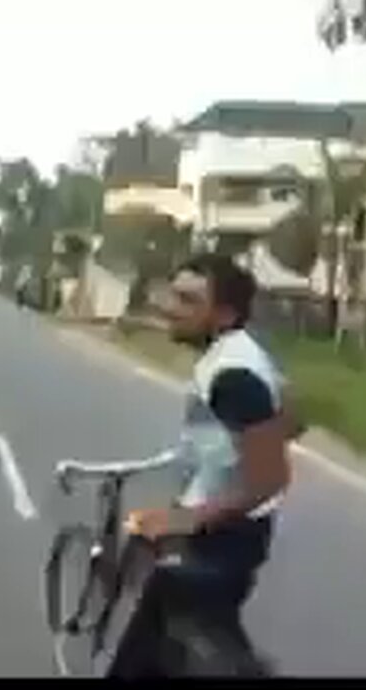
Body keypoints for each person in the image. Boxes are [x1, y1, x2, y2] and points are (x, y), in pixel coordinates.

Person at [106, 253, 298, 678]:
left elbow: (269, 479)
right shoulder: (237, 354)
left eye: (189, 300)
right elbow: (289, 415)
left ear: (223, 313)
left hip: (224, 542)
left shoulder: (233, 374)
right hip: (221, 534)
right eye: (173, 295)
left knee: (153, 649)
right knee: (180, 644)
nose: (171, 307)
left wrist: (186, 520)